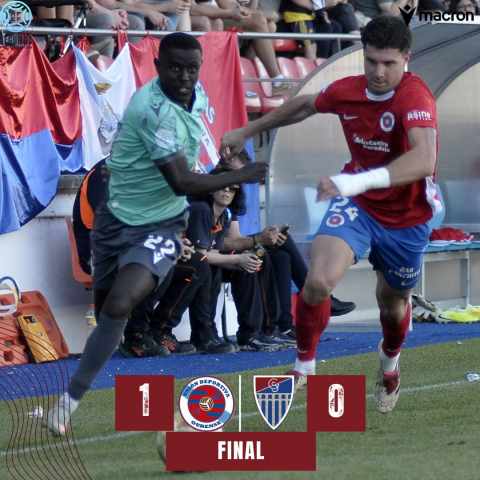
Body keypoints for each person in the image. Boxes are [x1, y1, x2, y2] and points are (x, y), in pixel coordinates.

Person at [46, 32, 267, 436]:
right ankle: (75, 394)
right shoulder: (151, 110)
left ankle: (76, 396)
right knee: (110, 309)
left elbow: (184, 173)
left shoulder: (194, 97)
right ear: (157, 67)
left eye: (192, 68)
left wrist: (223, 161)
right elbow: (182, 180)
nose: (184, 76)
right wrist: (242, 174)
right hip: (116, 224)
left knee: (122, 302)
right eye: (175, 68)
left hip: (160, 223)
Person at [221, 15, 439, 414]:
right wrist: (245, 131)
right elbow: (305, 105)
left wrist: (354, 182)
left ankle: (390, 362)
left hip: (406, 218)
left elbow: (425, 159)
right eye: (371, 61)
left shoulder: (415, 96)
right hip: (358, 205)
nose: (378, 72)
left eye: (389, 63)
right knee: (318, 282)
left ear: (406, 59)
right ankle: (304, 367)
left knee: (392, 307)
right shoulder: (348, 91)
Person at [141, 164, 282, 353]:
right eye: (222, 186)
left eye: (232, 189)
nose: (227, 191)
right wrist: (237, 259)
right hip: (168, 260)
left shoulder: (223, 215)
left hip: (188, 260)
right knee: (206, 267)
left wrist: (240, 261)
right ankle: (200, 334)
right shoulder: (201, 209)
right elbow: (202, 254)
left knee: (247, 266)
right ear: (211, 187)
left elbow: (214, 251)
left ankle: (251, 334)